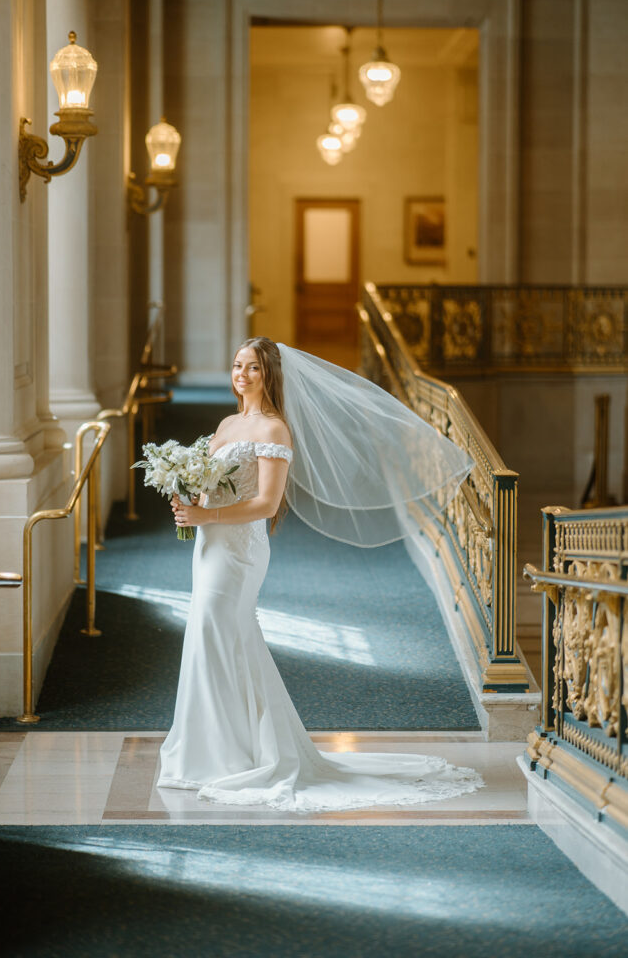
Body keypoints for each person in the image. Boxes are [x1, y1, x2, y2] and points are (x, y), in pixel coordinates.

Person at [157, 337, 482, 812]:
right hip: (209, 547)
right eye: (236, 366)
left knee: (216, 631)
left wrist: (208, 517)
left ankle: (227, 755)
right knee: (220, 638)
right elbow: (213, 486)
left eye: (252, 368)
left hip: (240, 550)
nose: (241, 375)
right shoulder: (227, 424)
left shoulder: (274, 430)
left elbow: (266, 504)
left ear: (269, 374)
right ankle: (221, 749)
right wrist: (190, 501)